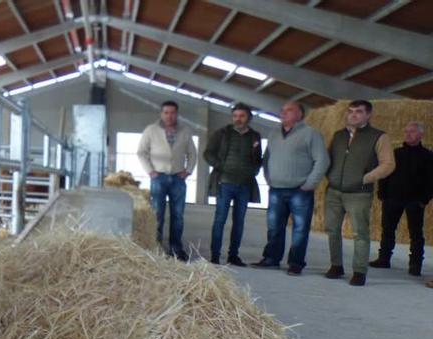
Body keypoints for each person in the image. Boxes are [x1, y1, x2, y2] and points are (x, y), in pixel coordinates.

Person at [252, 101, 329, 275]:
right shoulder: (273, 134)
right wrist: (268, 178)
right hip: (276, 189)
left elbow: (322, 160)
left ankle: (296, 262)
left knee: (300, 229)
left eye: (289, 110)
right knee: (274, 227)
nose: (284, 113)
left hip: (300, 190)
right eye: (282, 110)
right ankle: (271, 258)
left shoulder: (311, 134)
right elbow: (266, 159)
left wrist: (310, 184)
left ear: (300, 114)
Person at [323, 100, 395, 286]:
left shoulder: (379, 136)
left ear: (368, 115)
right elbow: (328, 158)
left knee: (360, 233)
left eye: (359, 112)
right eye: (351, 111)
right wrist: (328, 176)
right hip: (334, 191)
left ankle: (359, 271)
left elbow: (388, 164)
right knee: (332, 230)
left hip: (359, 193)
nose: (353, 115)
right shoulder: (338, 136)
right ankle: (336, 265)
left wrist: (365, 178)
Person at [369, 122, 433, 276]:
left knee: (416, 233)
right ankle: (384, 259)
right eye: (406, 131)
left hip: (415, 201)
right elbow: (385, 173)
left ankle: (415, 264)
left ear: (420, 135)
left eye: (412, 131)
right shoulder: (395, 153)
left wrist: (424, 200)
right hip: (393, 198)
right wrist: (382, 193)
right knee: (388, 230)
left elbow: (431, 181)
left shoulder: (428, 156)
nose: (408, 134)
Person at [137, 100, 198, 261]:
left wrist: (188, 171)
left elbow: (193, 153)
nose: (169, 116)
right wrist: (150, 171)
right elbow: (141, 152)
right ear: (161, 114)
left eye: (172, 113)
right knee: (157, 214)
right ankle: (156, 247)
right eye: (166, 112)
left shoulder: (185, 131)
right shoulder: (151, 130)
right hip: (159, 178)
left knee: (178, 215)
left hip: (178, 178)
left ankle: (176, 248)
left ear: (177, 114)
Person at [204, 102, 263, 266]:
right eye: (235, 116)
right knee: (220, 219)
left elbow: (258, 158)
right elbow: (208, 153)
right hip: (225, 183)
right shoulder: (222, 134)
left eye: (242, 116)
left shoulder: (255, 136)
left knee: (239, 221)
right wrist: (220, 166)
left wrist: (254, 170)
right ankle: (215, 255)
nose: (238, 119)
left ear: (249, 118)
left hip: (244, 184)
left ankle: (233, 255)